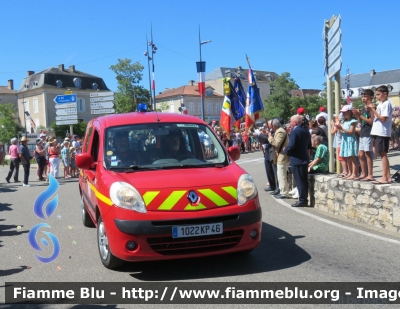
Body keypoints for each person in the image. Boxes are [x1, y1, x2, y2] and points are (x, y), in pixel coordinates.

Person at [284, 115, 311, 207]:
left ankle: (303, 200)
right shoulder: (305, 130)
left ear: (295, 122)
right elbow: (308, 146)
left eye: (291, 122)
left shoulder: (295, 131)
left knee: (300, 181)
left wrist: (285, 150)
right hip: (304, 158)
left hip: (297, 159)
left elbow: (291, 145)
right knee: (303, 180)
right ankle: (303, 199)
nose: (290, 124)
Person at [367, 85, 393, 184]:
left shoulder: (386, 104)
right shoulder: (381, 104)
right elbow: (374, 118)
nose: (377, 96)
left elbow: (383, 118)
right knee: (382, 154)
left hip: (383, 132)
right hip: (378, 131)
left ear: (385, 94)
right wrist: (371, 109)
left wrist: (373, 110)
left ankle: (384, 177)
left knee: (383, 154)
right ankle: (388, 177)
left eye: (378, 94)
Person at [352, 89, 375, 181]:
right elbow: (361, 122)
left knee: (368, 154)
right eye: (362, 96)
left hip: (368, 133)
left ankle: (370, 174)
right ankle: (364, 173)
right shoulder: (363, 108)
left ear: (371, 97)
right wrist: (358, 116)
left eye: (365, 96)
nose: (363, 98)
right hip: (363, 133)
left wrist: (360, 115)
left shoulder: (372, 108)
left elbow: (370, 121)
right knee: (360, 154)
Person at [267, 119, 289, 198]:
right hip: (280, 155)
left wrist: (270, 137)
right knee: (280, 175)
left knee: (281, 175)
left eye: (271, 126)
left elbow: (277, 143)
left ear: (274, 126)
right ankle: (283, 191)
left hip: (282, 156)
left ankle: (284, 192)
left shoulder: (280, 131)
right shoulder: (279, 131)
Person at [335, 105, 359, 180]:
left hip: (350, 140)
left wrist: (341, 128)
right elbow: (343, 131)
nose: (343, 114)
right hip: (345, 140)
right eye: (343, 112)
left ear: (349, 112)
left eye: (345, 112)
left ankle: (354, 173)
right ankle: (350, 172)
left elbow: (351, 132)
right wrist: (339, 128)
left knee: (352, 158)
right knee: (347, 157)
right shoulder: (344, 121)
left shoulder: (353, 121)